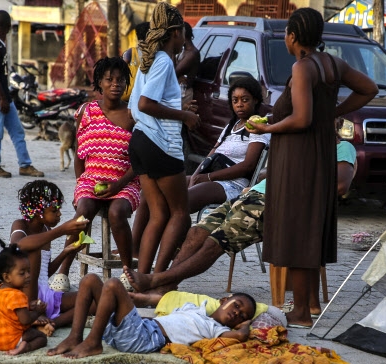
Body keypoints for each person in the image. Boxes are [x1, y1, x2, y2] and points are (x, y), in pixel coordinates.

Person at [246, 8, 378, 328]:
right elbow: (368, 88)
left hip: (300, 157)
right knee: (306, 231)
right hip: (317, 153)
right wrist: (334, 111)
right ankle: (303, 308)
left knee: (297, 231)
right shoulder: (332, 63)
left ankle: (302, 312)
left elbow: (301, 119)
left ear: (292, 36)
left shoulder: (303, 67)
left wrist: (267, 130)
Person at [123, 134, 358, 308]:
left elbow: (341, 185)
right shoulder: (304, 145)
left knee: (216, 241)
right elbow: (273, 172)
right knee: (198, 232)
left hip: (277, 204)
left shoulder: (341, 147)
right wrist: (263, 179)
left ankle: (157, 280)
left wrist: (294, 184)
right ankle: (165, 289)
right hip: (253, 194)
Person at [126, 76, 269, 268]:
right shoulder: (231, 126)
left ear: (256, 101)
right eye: (235, 100)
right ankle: (134, 248)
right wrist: (196, 176)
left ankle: (173, 252)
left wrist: (206, 177)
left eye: (245, 99)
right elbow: (212, 154)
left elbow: (248, 166)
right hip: (210, 176)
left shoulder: (258, 127)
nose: (240, 105)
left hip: (234, 184)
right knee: (151, 191)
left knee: (180, 201)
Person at [0, 181, 93, 352]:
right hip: (25, 300)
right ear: (38, 212)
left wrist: (65, 252)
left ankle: (52, 323)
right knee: (33, 249)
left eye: (59, 209)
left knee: (93, 297)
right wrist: (61, 230)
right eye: (54, 210)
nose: (59, 214)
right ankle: (34, 319)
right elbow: (17, 247)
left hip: (45, 296)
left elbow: (44, 272)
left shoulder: (45, 228)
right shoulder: (20, 225)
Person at [127, 2, 201, 276]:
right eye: (182, 31)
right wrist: (184, 116)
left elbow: (136, 107)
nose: (184, 37)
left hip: (141, 142)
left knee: (158, 214)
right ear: (174, 33)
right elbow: (146, 104)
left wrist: (179, 110)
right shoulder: (163, 61)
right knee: (180, 214)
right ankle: (158, 278)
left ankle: (141, 277)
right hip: (160, 144)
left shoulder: (149, 59)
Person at [57, 57, 140, 279]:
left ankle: (127, 271)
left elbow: (140, 160)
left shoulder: (133, 115)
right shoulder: (86, 111)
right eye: (109, 79)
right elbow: (78, 153)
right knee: (83, 211)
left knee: (116, 213)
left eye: (121, 80)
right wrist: (81, 184)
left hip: (125, 182)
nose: (116, 84)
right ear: (99, 83)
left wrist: (118, 185)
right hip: (91, 181)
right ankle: (63, 272)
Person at [46, 273, 255, 359]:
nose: (237, 313)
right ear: (223, 300)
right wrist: (138, 299)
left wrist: (245, 324)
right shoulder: (194, 307)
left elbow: (240, 337)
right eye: (237, 305)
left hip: (145, 338)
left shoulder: (217, 329)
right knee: (90, 280)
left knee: (113, 285)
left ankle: (93, 342)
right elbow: (162, 305)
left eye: (241, 315)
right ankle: (75, 336)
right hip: (139, 327)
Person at [0, 10, 44, 179]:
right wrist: (2, 98)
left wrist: (6, 97)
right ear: (8, 26)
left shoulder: (1, 42)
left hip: (4, 96)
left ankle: (25, 165)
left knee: (17, 131)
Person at [0, 239, 47, 355]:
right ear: (7, 277)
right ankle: (25, 347)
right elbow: (25, 321)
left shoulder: (1, 289)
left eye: (29, 271)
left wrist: (28, 306)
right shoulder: (17, 295)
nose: (28, 275)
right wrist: (38, 312)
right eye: (22, 273)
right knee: (41, 337)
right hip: (10, 341)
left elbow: (10, 310)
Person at [121, 22, 150, 102]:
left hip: (130, 95)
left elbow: (121, 69)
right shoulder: (154, 54)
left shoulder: (131, 52)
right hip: (145, 96)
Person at [175, 22, 200, 106]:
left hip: (184, 93)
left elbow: (175, 72)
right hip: (179, 91)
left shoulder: (192, 53)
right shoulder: (183, 50)